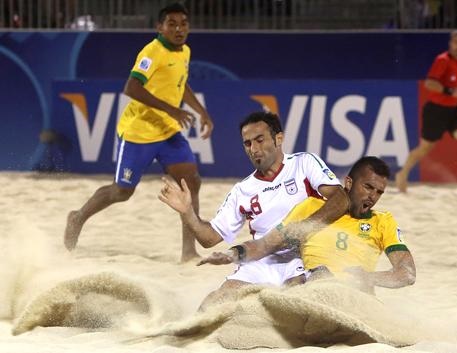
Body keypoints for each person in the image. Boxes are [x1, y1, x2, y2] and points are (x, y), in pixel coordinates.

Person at [64, 3, 214, 262]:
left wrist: (202, 111)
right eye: (172, 24)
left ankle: (188, 251)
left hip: (167, 131)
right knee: (122, 192)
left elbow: (180, 84)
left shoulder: (184, 51)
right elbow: (131, 88)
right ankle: (77, 217)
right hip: (139, 133)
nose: (179, 29)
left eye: (183, 24)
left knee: (191, 182)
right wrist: (174, 110)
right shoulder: (152, 52)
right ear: (160, 27)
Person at [158, 111, 349, 308]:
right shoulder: (242, 190)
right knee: (212, 304)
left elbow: (341, 199)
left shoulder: (303, 163)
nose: (254, 149)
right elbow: (209, 239)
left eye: (259, 140)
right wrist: (187, 212)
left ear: (278, 139)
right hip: (260, 259)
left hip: (302, 256)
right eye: (248, 143)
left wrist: (303, 229)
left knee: (296, 302)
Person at [199, 156, 416, 294]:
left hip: (356, 299)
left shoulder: (383, 221)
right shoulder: (312, 208)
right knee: (308, 279)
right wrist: (231, 254)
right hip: (314, 291)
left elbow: (406, 273)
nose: (373, 196)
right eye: (368, 187)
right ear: (348, 183)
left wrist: (367, 277)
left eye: (379, 192)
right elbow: (265, 245)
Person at [395, 30, 457, 193]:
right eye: (456, 43)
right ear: (450, 44)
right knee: (425, 149)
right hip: (436, 111)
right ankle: (402, 173)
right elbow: (429, 83)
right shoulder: (442, 60)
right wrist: (450, 92)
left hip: (455, 110)